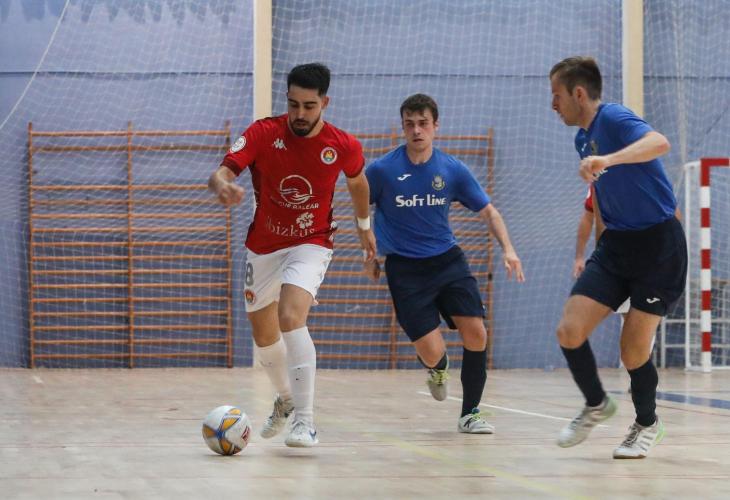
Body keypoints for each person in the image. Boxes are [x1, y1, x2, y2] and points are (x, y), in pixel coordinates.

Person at [209, 63, 376, 448]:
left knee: (290, 316)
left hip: (312, 241)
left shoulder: (343, 145)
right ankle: (285, 400)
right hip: (263, 245)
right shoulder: (263, 133)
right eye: (293, 104)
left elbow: (358, 182)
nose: (300, 114)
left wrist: (364, 227)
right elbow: (221, 173)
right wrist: (221, 185)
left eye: (309, 106)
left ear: (325, 103)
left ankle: (305, 421)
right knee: (264, 334)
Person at [550, 56, 687, 459]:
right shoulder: (582, 139)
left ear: (578, 93)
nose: (553, 104)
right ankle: (596, 403)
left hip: (658, 247)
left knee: (632, 351)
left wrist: (608, 159)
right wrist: (599, 253)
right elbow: (601, 202)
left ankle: (647, 423)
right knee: (569, 330)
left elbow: (660, 142)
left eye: (556, 95)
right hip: (615, 247)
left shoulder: (613, 118)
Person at [364, 93, 525, 433]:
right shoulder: (382, 171)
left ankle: (470, 414)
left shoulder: (452, 170)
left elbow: (489, 212)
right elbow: (362, 212)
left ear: (436, 126)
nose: (416, 130)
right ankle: (438, 367)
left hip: (447, 261)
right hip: (404, 269)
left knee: (476, 333)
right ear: (403, 127)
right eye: (410, 124)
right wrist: (371, 253)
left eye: (423, 123)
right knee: (431, 350)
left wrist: (509, 249)